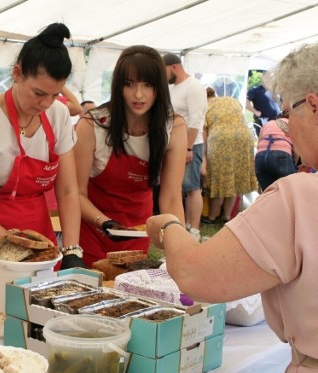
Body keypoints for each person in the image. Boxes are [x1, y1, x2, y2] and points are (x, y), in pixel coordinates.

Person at [146, 43, 318, 373]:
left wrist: (171, 227)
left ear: (314, 105)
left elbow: (195, 274)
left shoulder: (300, 195)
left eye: (288, 113)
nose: (286, 129)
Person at [0, 23, 87, 296]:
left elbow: (67, 190)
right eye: (39, 93)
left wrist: (71, 249)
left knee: (38, 314)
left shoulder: (58, 116)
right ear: (17, 74)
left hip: (40, 234)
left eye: (55, 94)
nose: (46, 103)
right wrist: (5, 239)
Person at [74, 45, 187, 266]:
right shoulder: (92, 125)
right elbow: (75, 193)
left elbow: (172, 196)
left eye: (148, 85)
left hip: (138, 231)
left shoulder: (173, 127)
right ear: (118, 86)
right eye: (129, 84)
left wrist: (180, 248)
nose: (138, 94)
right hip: (92, 230)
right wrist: (105, 223)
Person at [163, 52, 207, 241]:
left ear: (174, 67)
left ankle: (195, 230)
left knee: (192, 187)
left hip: (191, 144)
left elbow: (196, 120)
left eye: (163, 71)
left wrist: (188, 147)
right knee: (176, 188)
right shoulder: (173, 88)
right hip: (174, 143)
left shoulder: (194, 87)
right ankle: (184, 226)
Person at [201, 90, 258, 224]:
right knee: (234, 180)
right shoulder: (231, 100)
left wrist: (203, 155)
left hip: (221, 139)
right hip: (244, 138)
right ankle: (227, 217)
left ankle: (212, 217)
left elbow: (203, 135)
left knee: (219, 181)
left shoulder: (204, 106)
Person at [255, 117, 296, 191]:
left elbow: (258, 144)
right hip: (281, 155)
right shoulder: (291, 123)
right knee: (290, 190)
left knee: (267, 193)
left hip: (260, 157)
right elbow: (297, 150)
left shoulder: (268, 123)